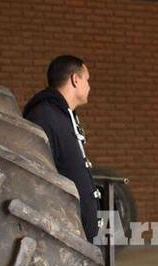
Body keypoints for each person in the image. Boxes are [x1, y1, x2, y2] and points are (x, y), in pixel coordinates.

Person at [24, 55, 101, 241]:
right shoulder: (43, 116)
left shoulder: (65, 116)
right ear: (75, 79)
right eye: (87, 80)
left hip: (79, 235)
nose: (89, 86)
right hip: (63, 237)